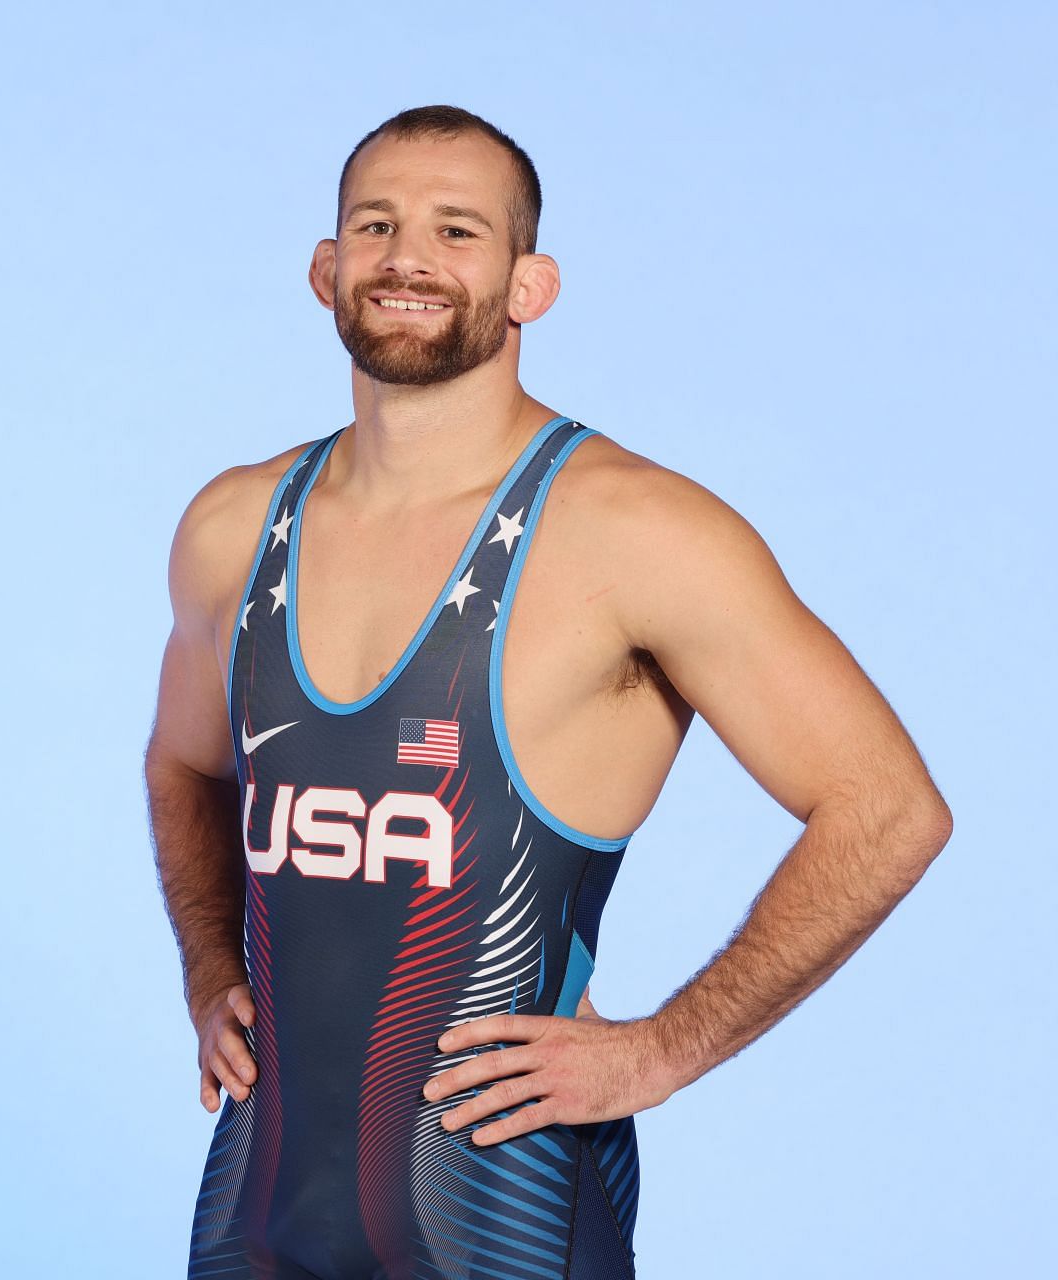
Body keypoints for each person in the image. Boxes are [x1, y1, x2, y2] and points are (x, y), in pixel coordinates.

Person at [144, 104, 953, 1280]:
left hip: (499, 1218)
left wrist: (661, 1050)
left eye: (456, 231)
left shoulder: (639, 532)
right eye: (376, 225)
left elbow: (889, 808)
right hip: (256, 1210)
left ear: (531, 285)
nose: (408, 257)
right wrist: (211, 965)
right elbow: (185, 762)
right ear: (327, 270)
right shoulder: (234, 525)